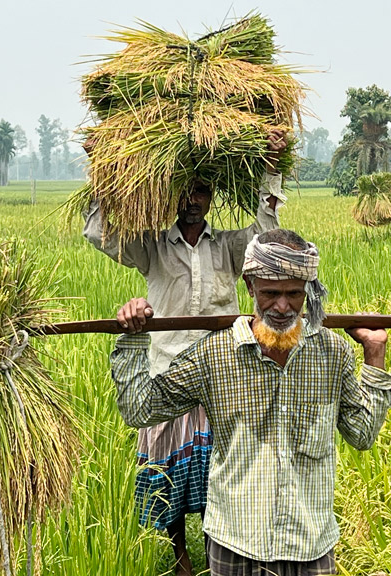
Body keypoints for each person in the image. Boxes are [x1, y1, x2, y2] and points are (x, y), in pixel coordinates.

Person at [110, 229, 391, 576]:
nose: (281, 306)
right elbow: (141, 409)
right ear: (249, 286)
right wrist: (134, 337)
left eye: (293, 294)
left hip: (310, 546)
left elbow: (362, 435)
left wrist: (375, 353)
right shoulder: (214, 355)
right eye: (270, 293)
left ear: (307, 291)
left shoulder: (331, 354)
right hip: (234, 545)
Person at [83, 131, 289, 576]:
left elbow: (267, 232)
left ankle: (226, 548)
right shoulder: (153, 246)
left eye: (200, 190)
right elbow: (100, 232)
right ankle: (180, 560)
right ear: (170, 197)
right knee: (170, 473)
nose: (192, 200)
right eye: (183, 191)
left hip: (224, 371)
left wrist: (271, 169)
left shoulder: (230, 247)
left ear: (211, 195)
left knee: (227, 470)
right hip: (169, 372)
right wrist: (100, 170)